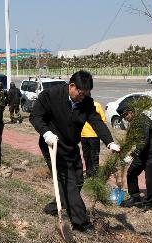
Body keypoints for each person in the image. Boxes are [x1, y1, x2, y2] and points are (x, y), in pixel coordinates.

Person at [29, 70, 120, 234]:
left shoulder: (86, 102)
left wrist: (110, 142)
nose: (83, 97)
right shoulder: (50, 95)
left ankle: (55, 205)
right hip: (52, 145)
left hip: (71, 146)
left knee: (78, 180)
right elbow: (35, 116)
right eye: (81, 93)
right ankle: (81, 222)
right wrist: (46, 132)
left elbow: (96, 122)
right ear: (72, 86)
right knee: (68, 181)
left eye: (86, 94)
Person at [117, 104, 152, 211]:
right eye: (123, 117)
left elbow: (143, 142)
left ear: (131, 112)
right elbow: (132, 140)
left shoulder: (143, 121)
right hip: (142, 153)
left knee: (150, 179)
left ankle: (149, 203)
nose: (125, 118)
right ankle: (135, 197)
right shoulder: (134, 122)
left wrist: (131, 155)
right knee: (131, 173)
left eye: (125, 115)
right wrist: (122, 150)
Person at [81, 101, 107, 178]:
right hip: (83, 135)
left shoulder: (97, 105)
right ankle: (89, 173)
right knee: (86, 155)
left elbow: (103, 120)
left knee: (94, 155)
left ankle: (95, 175)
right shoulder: (79, 105)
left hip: (94, 135)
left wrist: (101, 132)